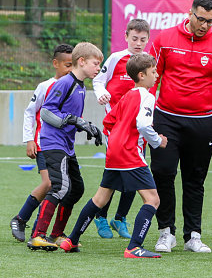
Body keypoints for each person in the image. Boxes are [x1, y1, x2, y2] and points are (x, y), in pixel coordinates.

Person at [148, 0, 212, 253]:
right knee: (163, 173)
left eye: (210, 21)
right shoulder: (165, 40)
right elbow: (149, 79)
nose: (205, 25)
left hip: (203, 123)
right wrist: (143, 113)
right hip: (166, 119)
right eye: (201, 19)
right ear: (190, 14)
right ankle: (166, 232)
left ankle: (193, 236)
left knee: (194, 179)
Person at [60, 53, 168, 258]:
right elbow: (144, 125)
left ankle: (71, 240)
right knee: (153, 200)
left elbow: (109, 121)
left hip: (114, 153)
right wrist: (157, 141)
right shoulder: (147, 96)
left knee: (100, 198)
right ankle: (134, 247)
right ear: (142, 75)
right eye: (153, 72)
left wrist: (119, 136)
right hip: (129, 154)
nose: (157, 76)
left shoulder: (127, 95)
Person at [28, 42, 104, 251]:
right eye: (95, 64)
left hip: (67, 146)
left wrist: (88, 127)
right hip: (53, 143)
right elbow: (46, 112)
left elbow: (71, 118)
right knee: (60, 187)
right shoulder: (65, 83)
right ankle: (37, 236)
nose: (98, 68)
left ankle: (56, 234)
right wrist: (74, 120)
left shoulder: (80, 86)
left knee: (76, 188)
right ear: (82, 62)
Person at [92, 18, 150, 239]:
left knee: (137, 172)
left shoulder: (147, 62)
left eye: (142, 39)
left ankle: (120, 218)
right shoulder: (116, 58)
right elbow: (98, 81)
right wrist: (101, 93)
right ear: (126, 37)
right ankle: (101, 217)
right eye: (134, 38)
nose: (138, 43)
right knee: (115, 173)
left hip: (138, 131)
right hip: (115, 129)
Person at [10, 44, 73, 243]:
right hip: (44, 143)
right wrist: (29, 139)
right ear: (55, 64)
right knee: (49, 183)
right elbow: (30, 112)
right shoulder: (45, 86)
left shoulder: (73, 86)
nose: (70, 70)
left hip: (63, 146)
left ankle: (42, 229)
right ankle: (21, 219)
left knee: (62, 186)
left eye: (73, 65)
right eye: (67, 65)